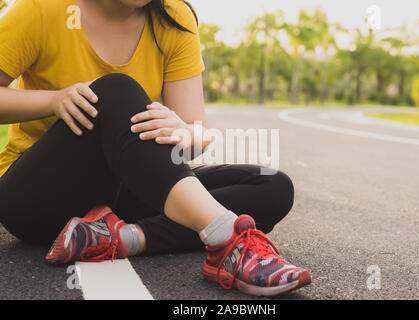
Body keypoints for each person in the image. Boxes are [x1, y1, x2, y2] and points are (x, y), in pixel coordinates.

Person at [0, 0, 311, 297]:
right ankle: (228, 238)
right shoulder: (41, 8)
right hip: (38, 198)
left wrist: (184, 132)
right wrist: (54, 100)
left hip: (120, 195)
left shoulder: (174, 19)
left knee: (271, 185)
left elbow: (198, 132)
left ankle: (121, 238)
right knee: (116, 89)